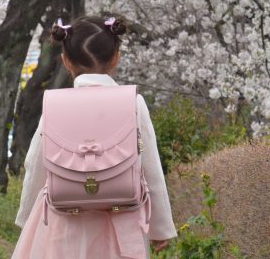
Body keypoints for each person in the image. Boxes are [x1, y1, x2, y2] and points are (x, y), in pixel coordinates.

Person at [12, 16, 177, 258]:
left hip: (65, 224)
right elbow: (151, 169)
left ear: (66, 60)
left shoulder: (55, 105)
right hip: (121, 223)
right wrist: (160, 228)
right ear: (116, 57)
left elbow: (36, 163)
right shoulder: (133, 103)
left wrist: (27, 217)